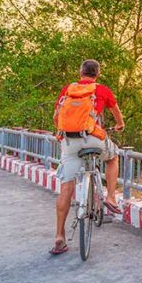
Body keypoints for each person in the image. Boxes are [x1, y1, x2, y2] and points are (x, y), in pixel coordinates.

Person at [50, 59, 125, 255]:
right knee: (113, 157)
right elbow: (116, 112)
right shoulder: (101, 90)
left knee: (66, 186)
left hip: (69, 141)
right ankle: (110, 197)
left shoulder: (68, 89)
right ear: (97, 74)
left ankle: (59, 237)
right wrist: (120, 124)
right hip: (93, 138)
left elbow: (56, 117)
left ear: (80, 72)